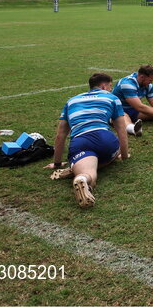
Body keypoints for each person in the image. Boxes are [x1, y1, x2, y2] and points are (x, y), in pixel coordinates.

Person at [44, 73, 131, 209]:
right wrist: (124, 155)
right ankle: (79, 174)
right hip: (105, 139)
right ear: (103, 86)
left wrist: (56, 163)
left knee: (88, 172)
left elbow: (60, 136)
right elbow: (121, 130)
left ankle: (82, 177)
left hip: (80, 141)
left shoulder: (71, 101)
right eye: (109, 86)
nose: (110, 89)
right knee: (109, 155)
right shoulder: (112, 98)